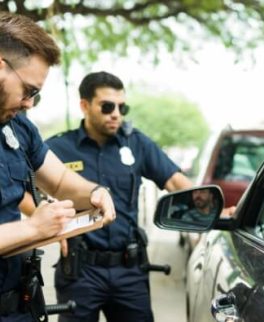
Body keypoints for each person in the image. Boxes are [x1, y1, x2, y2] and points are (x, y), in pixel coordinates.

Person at [32, 71, 193, 322]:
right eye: (107, 106)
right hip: (79, 270)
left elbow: (175, 181)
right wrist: (45, 219)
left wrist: (211, 206)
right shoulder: (58, 147)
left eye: (121, 107)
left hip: (129, 270)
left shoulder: (136, 143)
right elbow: (26, 188)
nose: (116, 113)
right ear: (85, 105)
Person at [0, 12, 115, 321]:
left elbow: (61, 181)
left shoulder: (18, 127)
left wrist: (95, 192)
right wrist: (32, 227)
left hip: (17, 305)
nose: (29, 104)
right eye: (29, 91)